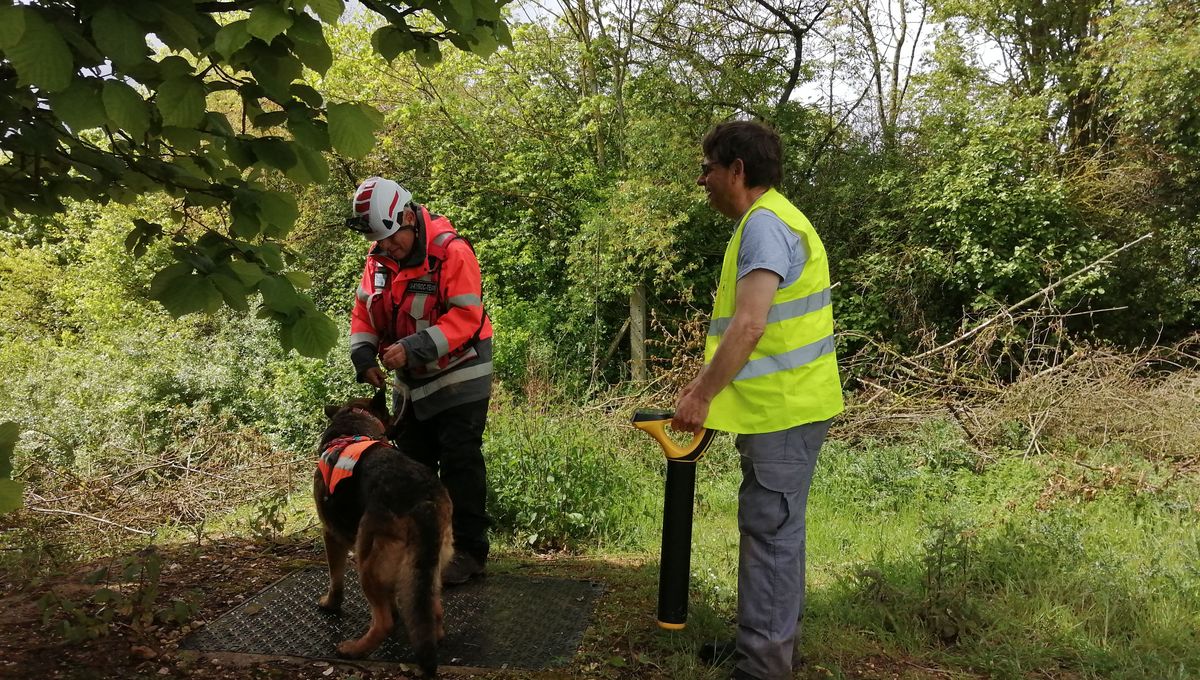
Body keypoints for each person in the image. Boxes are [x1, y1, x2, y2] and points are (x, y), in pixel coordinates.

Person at [672, 121, 844, 680]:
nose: (703, 180)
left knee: (771, 534)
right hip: (784, 409)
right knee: (772, 530)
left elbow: (748, 327)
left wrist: (701, 394)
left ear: (737, 170)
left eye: (708, 168)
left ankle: (764, 666)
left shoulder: (766, 226)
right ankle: (762, 645)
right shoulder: (772, 221)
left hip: (785, 411)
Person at [346, 176, 493, 585]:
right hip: (412, 382)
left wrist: (412, 348)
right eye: (380, 242)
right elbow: (364, 312)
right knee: (413, 467)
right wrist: (362, 353)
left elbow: (466, 318)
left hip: (462, 374)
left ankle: (468, 551)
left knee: (460, 461)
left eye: (392, 239)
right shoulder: (378, 258)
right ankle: (422, 547)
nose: (386, 248)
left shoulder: (453, 253)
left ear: (408, 216)